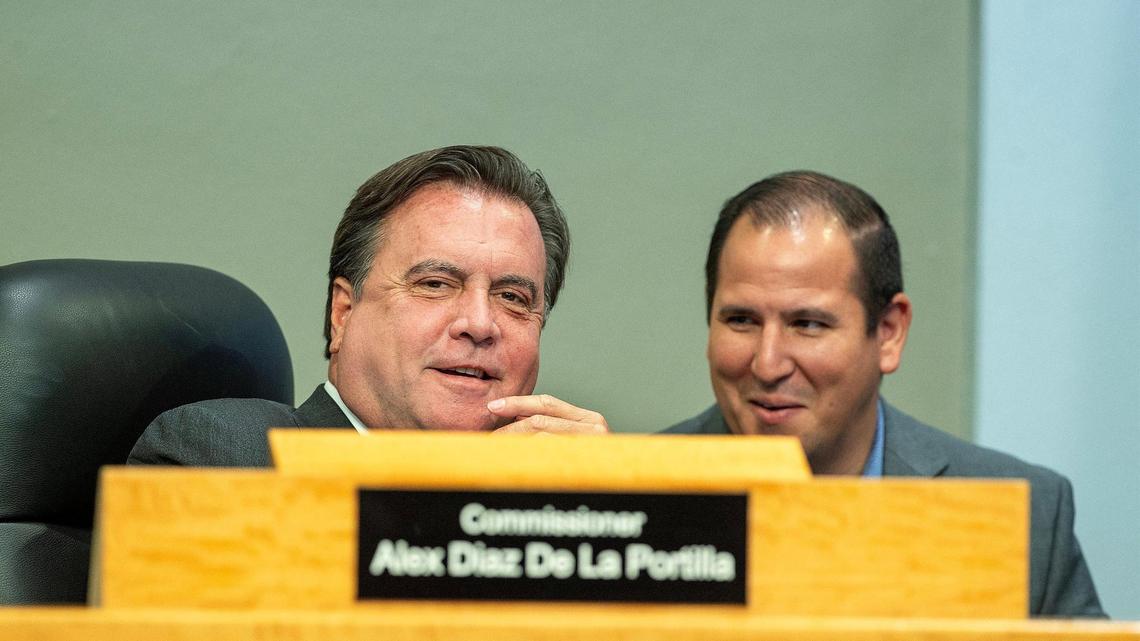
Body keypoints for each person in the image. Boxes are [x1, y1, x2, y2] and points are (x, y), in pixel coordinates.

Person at [664, 170, 1105, 617]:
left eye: (808, 324)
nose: (768, 364)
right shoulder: (639, 499)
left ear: (889, 333)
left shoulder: (1024, 520)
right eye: (741, 320)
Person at [130, 145, 607, 467]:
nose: (480, 324)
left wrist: (623, 514)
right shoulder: (223, 454)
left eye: (512, 298)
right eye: (435, 284)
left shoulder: (558, 498)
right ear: (343, 313)